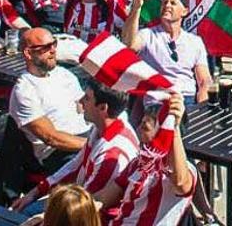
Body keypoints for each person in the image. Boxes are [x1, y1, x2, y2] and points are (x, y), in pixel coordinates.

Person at [12, 78, 139, 215]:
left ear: (103, 108)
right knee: (25, 208)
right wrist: (35, 192)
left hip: (93, 215)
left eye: (87, 98)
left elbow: (85, 207)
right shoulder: (103, 128)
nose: (81, 101)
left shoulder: (111, 156)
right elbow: (75, 166)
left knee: (26, 214)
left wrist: (43, 218)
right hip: (80, 200)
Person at [9, 27, 90, 174]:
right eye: (46, 47)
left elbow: (84, 109)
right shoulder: (25, 90)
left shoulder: (64, 74)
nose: (53, 50)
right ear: (28, 53)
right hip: (59, 152)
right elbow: (50, 137)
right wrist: (92, 145)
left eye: (54, 44)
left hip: (86, 136)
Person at [107, 93, 196, 226]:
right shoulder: (138, 163)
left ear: (162, 133)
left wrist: (173, 127)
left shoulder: (186, 170)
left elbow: (181, 182)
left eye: (144, 127)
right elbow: (107, 195)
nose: (137, 131)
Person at [122, 0, 212, 104]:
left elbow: (204, 80)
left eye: (173, 3)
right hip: (156, 100)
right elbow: (129, 44)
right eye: (165, 2)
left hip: (186, 98)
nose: (167, 5)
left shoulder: (195, 41)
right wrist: (136, 7)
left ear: (184, 11)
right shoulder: (148, 35)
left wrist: (202, 109)